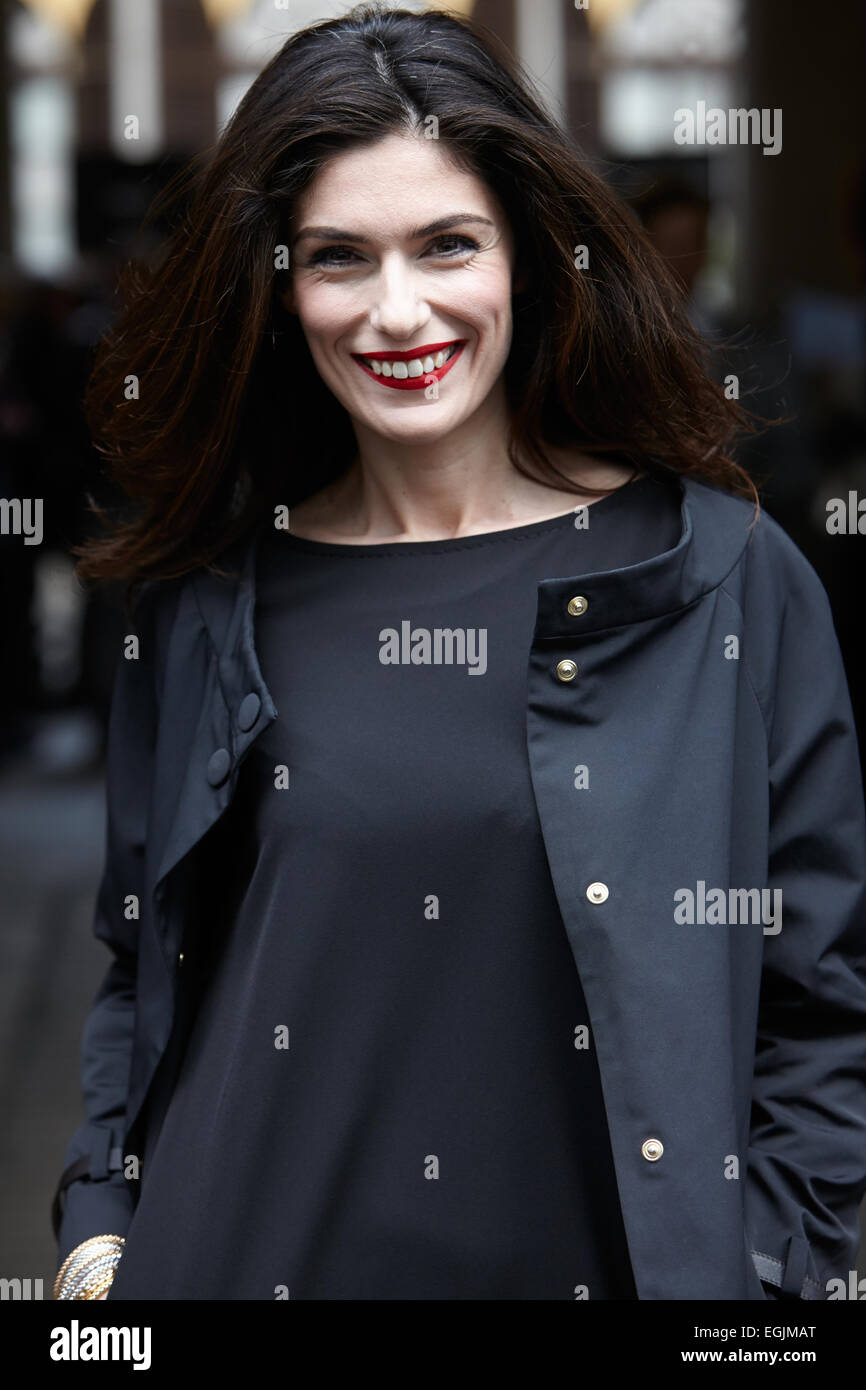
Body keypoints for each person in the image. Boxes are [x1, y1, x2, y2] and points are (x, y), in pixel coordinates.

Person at [51, 3, 866, 1302]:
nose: (396, 308)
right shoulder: (207, 593)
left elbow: (822, 1009)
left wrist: (763, 1282)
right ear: (279, 286)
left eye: (445, 245)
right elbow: (141, 957)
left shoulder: (717, 580)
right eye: (337, 257)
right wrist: (101, 1230)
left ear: (530, 259)